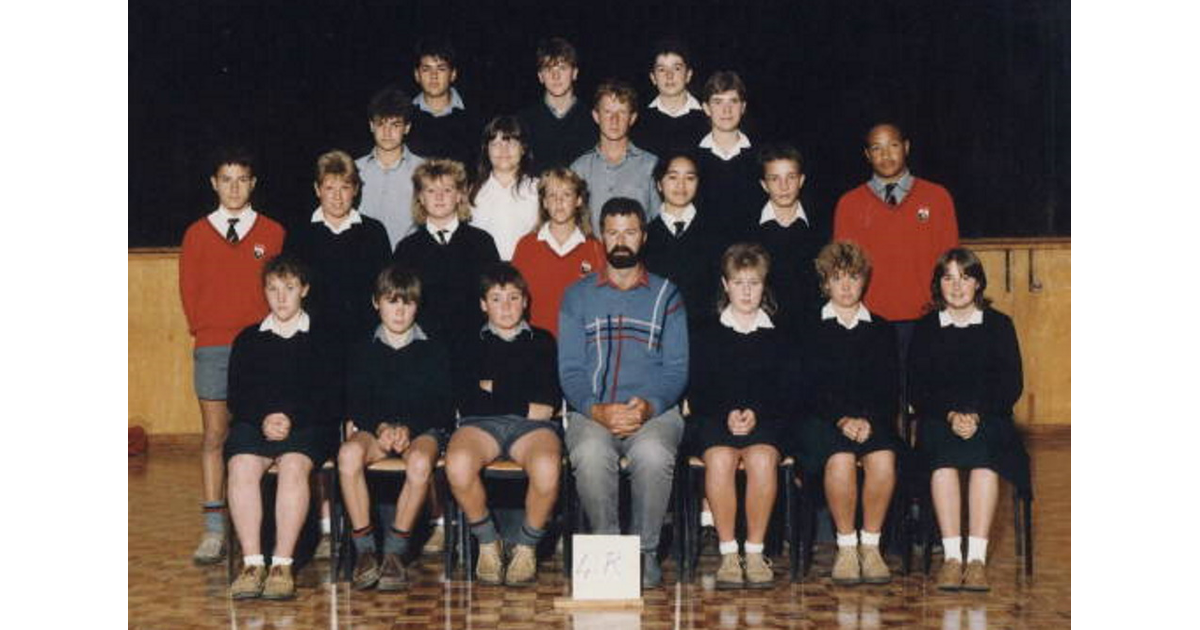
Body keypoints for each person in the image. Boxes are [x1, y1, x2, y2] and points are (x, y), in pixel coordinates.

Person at [558, 197, 688, 588]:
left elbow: (677, 369)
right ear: (601, 236)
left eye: (629, 232)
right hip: (592, 410)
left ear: (643, 236)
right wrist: (595, 410)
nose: (620, 240)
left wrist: (650, 406)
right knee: (590, 453)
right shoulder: (577, 295)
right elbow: (570, 370)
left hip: (653, 412)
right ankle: (609, 553)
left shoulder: (667, 295)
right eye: (612, 232)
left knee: (653, 454)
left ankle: (645, 552)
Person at [179, 147, 286, 565]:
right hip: (214, 346)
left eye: (242, 179)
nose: (235, 188)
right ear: (214, 183)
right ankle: (213, 528)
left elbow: (280, 290)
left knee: (264, 432)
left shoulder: (273, 232)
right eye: (226, 179)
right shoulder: (196, 234)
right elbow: (189, 293)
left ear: (253, 183)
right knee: (214, 435)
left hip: (261, 348)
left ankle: (262, 526)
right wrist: (210, 332)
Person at [908, 247, 1028, 593]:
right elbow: (917, 387)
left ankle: (976, 560)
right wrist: (950, 415)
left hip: (989, 417)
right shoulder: (926, 328)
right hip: (939, 418)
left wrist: (976, 416)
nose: (957, 286)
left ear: (978, 283)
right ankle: (951, 559)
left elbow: (1011, 385)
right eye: (948, 278)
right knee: (941, 461)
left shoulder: (1000, 325)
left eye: (965, 277)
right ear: (938, 285)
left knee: (985, 461)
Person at [225, 256, 338, 600]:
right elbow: (237, 395)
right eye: (273, 289)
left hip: (308, 424)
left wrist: (292, 419)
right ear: (264, 292)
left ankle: (282, 565)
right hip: (258, 423)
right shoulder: (248, 339)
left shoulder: (324, 338)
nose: (281, 297)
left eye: (289, 288)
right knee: (241, 464)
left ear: (304, 289)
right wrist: (264, 419)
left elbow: (331, 396)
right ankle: (252, 563)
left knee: (292, 465)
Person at [338, 265, 456, 591]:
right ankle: (365, 550)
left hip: (421, 431)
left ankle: (394, 552)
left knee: (419, 463)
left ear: (418, 306)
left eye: (408, 302)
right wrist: (380, 427)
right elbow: (355, 401)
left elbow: (442, 405)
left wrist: (409, 429)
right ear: (376, 302)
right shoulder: (362, 347)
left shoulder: (434, 348)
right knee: (348, 455)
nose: (400, 311)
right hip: (375, 430)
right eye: (392, 302)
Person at [445, 263, 562, 585]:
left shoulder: (543, 341)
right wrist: (521, 397)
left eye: (513, 297)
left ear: (525, 301)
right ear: (484, 304)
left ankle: (526, 547)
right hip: (479, 425)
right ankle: (487, 542)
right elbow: (469, 400)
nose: (506, 306)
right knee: (458, 463)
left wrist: (494, 388)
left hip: (532, 430)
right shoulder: (468, 342)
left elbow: (547, 405)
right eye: (496, 299)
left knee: (547, 467)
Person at [688, 243, 794, 589]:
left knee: (762, 459)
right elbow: (698, 389)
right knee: (720, 459)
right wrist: (728, 415)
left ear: (764, 286)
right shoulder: (704, 333)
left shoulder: (780, 335)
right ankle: (729, 553)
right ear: (725, 285)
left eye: (754, 283)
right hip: (715, 420)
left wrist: (756, 415)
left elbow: (787, 390)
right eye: (738, 283)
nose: (746, 292)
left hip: (767, 420)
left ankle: (755, 551)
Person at [797, 241, 901, 586]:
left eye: (853, 277)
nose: (845, 286)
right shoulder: (807, 327)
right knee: (840, 458)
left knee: (883, 458)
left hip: (872, 420)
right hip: (822, 420)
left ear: (864, 282)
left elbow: (890, 388)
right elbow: (805, 387)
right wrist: (841, 420)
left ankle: (870, 547)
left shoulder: (882, 329)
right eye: (837, 278)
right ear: (825, 282)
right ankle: (845, 547)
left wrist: (868, 421)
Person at [832, 122, 959, 361]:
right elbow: (842, 269)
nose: (886, 155)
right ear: (867, 155)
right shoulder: (849, 204)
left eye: (893, 145)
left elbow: (951, 261)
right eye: (877, 148)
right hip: (870, 320)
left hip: (926, 319)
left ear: (906, 147)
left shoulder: (937, 197)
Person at [284, 150, 392, 350]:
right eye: (329, 188)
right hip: (310, 340)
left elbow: (385, 289)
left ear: (355, 189)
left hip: (363, 340)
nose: (337, 197)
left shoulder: (374, 232)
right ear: (317, 189)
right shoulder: (299, 234)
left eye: (345, 187)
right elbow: (289, 290)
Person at [393, 159, 501, 342]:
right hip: (423, 345)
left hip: (474, 342)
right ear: (420, 198)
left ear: (459, 195)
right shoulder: (406, 249)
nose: (439, 197)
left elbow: (494, 298)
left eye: (447, 190)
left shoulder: (482, 243)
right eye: (431, 191)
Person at [511, 167, 606, 337]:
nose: (559, 201)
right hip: (535, 342)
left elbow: (602, 303)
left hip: (579, 342)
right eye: (552, 195)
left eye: (566, 195)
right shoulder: (526, 246)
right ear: (544, 203)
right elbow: (513, 297)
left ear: (578, 200)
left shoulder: (595, 248)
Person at [642, 149, 722, 334]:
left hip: (705, 333)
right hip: (656, 334)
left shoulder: (715, 233)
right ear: (659, 184)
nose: (681, 185)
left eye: (689, 178)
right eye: (673, 177)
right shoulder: (645, 236)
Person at [748, 143, 826, 327]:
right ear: (764, 185)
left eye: (791, 177)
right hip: (761, 327)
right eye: (774, 178)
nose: (784, 186)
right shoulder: (748, 230)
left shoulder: (821, 228)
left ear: (801, 180)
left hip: (812, 327)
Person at [570, 80, 661, 233]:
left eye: (622, 112)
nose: (614, 120)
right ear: (596, 116)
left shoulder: (650, 165)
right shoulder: (579, 169)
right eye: (607, 112)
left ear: (632, 118)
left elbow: (659, 221)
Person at [694, 70, 764, 240]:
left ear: (743, 107)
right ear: (706, 108)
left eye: (733, 101)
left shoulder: (760, 157)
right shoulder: (691, 158)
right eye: (718, 102)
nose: (726, 110)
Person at [356, 84, 426, 250]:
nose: (387, 132)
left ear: (407, 128)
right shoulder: (354, 169)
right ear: (371, 126)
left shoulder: (423, 170)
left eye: (395, 125)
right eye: (381, 124)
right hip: (361, 257)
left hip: (409, 259)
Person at [517, 37, 596, 173]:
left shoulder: (592, 120)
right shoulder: (524, 121)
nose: (556, 76)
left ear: (574, 73)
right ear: (540, 76)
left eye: (562, 68)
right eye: (548, 69)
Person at [469, 116, 540, 261]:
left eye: (511, 143)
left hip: (526, 268)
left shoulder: (538, 189)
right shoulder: (472, 192)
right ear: (486, 150)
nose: (503, 150)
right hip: (484, 269)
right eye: (496, 144)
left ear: (523, 149)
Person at [405, 38, 477, 167]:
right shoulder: (403, 118)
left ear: (453, 74)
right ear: (417, 75)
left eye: (441, 68)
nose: (434, 75)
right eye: (426, 69)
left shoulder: (475, 119)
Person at [631, 39, 709, 158]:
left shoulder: (709, 118)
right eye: (661, 69)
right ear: (653, 78)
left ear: (688, 75)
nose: (669, 75)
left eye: (677, 68)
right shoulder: (638, 122)